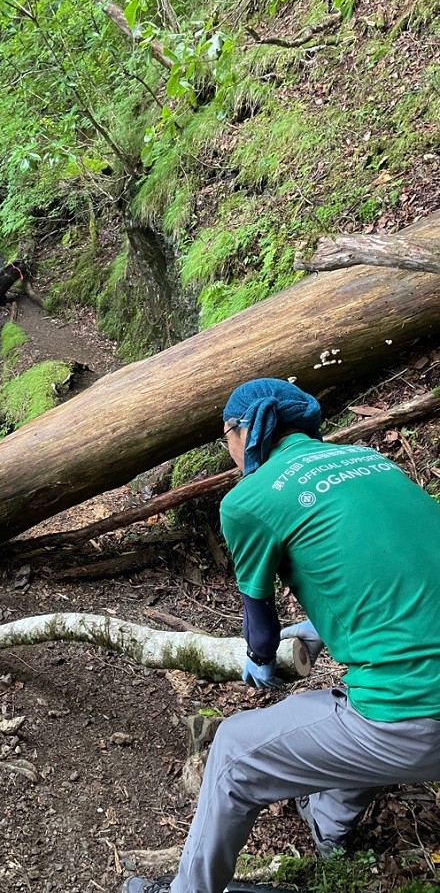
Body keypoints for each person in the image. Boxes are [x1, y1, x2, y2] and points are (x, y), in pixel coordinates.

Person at [123, 378, 440, 893]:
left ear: (243, 431)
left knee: (231, 749)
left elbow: (261, 629)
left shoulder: (247, 499)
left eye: (224, 436)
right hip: (422, 698)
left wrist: (261, 657)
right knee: (329, 713)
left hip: (413, 719)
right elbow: (398, 586)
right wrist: (315, 635)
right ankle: (330, 832)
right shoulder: (371, 462)